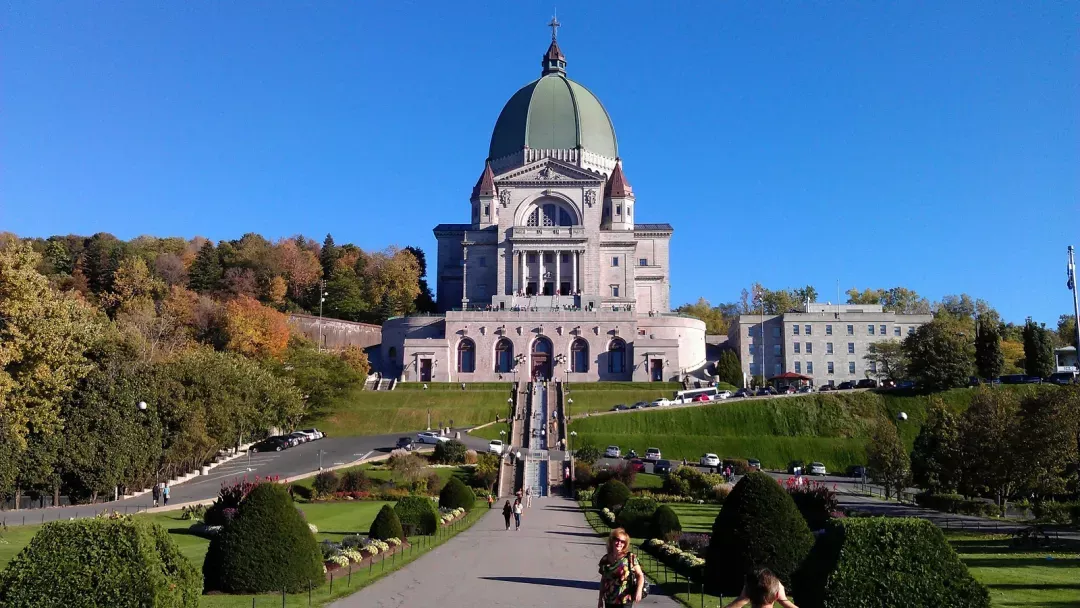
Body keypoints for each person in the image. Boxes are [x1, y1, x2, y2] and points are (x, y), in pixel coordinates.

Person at [598, 527, 644, 607]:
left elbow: (640, 575)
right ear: (612, 540)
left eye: (622, 541)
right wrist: (600, 599)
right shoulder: (605, 559)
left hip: (625, 599)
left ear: (625, 544)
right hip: (609, 600)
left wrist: (639, 590)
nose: (619, 543)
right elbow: (603, 580)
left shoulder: (630, 557)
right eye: (617, 540)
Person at [722, 569, 798, 608]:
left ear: (747, 593)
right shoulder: (778, 594)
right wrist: (784, 600)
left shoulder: (746, 594)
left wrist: (742, 599)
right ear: (777, 594)